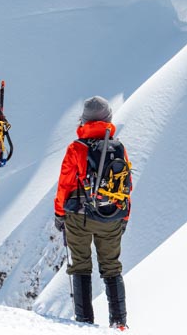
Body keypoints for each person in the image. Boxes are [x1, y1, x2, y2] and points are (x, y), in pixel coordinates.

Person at [54, 96, 129, 330]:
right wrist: (124, 216)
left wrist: (59, 214)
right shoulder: (118, 147)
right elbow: (127, 186)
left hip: (79, 217)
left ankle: (84, 323)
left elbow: (65, 185)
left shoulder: (76, 148)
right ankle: (119, 323)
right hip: (112, 216)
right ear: (108, 119)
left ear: (84, 120)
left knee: (80, 266)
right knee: (111, 267)